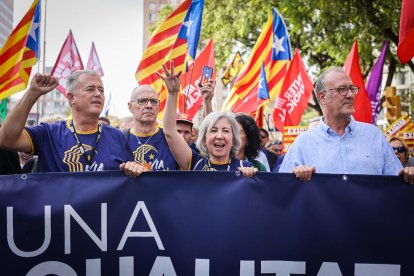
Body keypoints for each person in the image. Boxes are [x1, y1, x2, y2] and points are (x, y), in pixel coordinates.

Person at [279, 67, 414, 184]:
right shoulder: (303, 143)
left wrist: (408, 176)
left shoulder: (374, 136)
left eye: (351, 89)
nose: (350, 95)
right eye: (342, 89)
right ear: (322, 97)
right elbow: (282, 190)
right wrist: (295, 177)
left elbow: (396, 182)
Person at [0, 71, 144, 177]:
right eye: (90, 89)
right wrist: (32, 93)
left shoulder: (117, 136)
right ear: (71, 97)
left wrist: (135, 168)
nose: (98, 94)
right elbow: (5, 139)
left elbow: (132, 176)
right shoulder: (49, 133)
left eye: (101, 90)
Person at [159, 61, 257, 177]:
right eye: (213, 131)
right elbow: (170, 132)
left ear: (234, 140)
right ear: (205, 138)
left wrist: (250, 176)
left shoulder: (244, 166)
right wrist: (172, 93)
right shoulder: (195, 163)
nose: (219, 136)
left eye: (225, 131)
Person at [125, 84, 178, 171]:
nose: (149, 105)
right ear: (130, 107)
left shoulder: (171, 139)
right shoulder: (120, 140)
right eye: (142, 101)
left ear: (159, 107)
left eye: (154, 101)